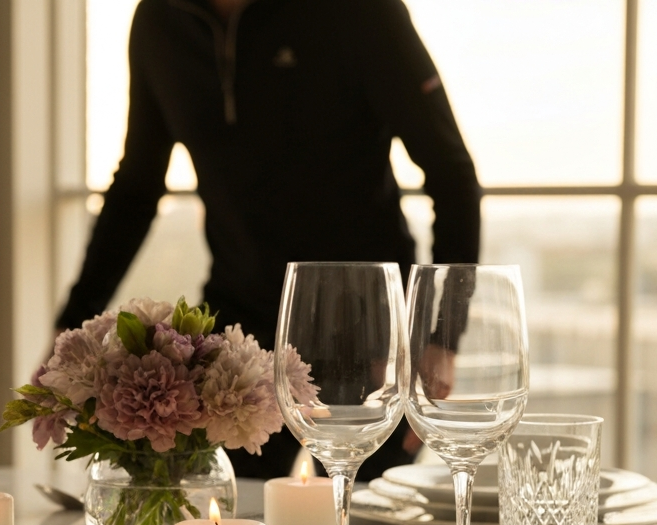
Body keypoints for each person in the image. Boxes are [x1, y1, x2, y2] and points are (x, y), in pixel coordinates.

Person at [56, 0, 481, 479]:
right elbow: (136, 189)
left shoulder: (360, 11)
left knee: (364, 519)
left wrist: (441, 338)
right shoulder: (161, 20)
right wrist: (70, 325)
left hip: (368, 338)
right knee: (225, 514)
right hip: (238, 335)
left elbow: (451, 173)